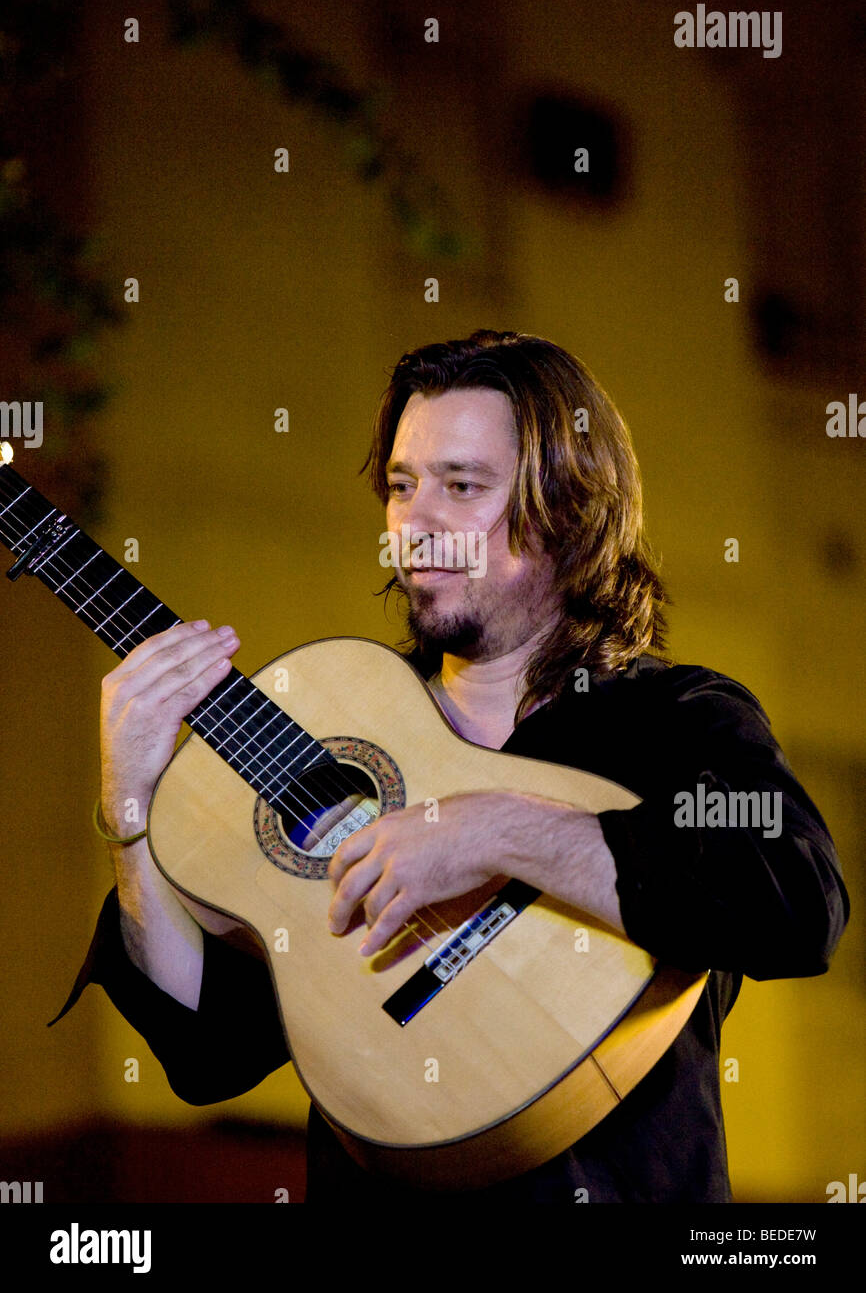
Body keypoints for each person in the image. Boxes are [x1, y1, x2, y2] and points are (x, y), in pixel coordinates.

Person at [53, 329, 849, 1202]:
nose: (416, 523)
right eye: (402, 486)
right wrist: (128, 807)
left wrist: (500, 831)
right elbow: (208, 1052)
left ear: (567, 508)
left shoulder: (672, 720)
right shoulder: (345, 733)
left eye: (461, 486)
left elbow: (796, 899)